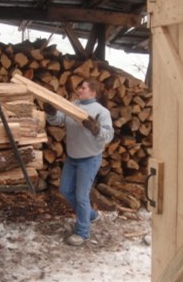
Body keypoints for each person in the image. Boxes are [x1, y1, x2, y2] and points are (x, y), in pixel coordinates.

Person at [44, 78, 114, 246]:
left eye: (83, 87)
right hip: (73, 157)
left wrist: (97, 129)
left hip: (89, 159)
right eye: (79, 87)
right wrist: (51, 112)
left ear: (93, 92)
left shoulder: (101, 112)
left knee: (81, 196)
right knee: (65, 189)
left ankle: (83, 232)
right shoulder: (73, 105)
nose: (79, 90)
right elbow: (58, 120)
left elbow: (109, 135)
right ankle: (90, 215)